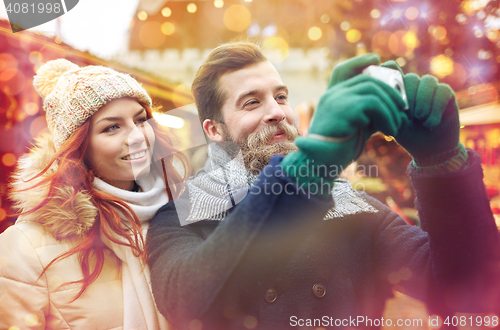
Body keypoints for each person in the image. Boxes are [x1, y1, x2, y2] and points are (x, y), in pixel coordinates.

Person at [147, 41, 500, 330]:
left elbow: (466, 292)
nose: (277, 112)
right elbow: (191, 302)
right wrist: (313, 165)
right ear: (214, 131)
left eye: (281, 96)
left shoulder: (351, 205)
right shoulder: (179, 216)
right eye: (252, 102)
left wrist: (442, 166)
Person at [0, 59, 188, 329]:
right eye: (112, 127)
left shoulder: (182, 213)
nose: (137, 136)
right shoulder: (25, 247)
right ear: (79, 148)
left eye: (140, 120)